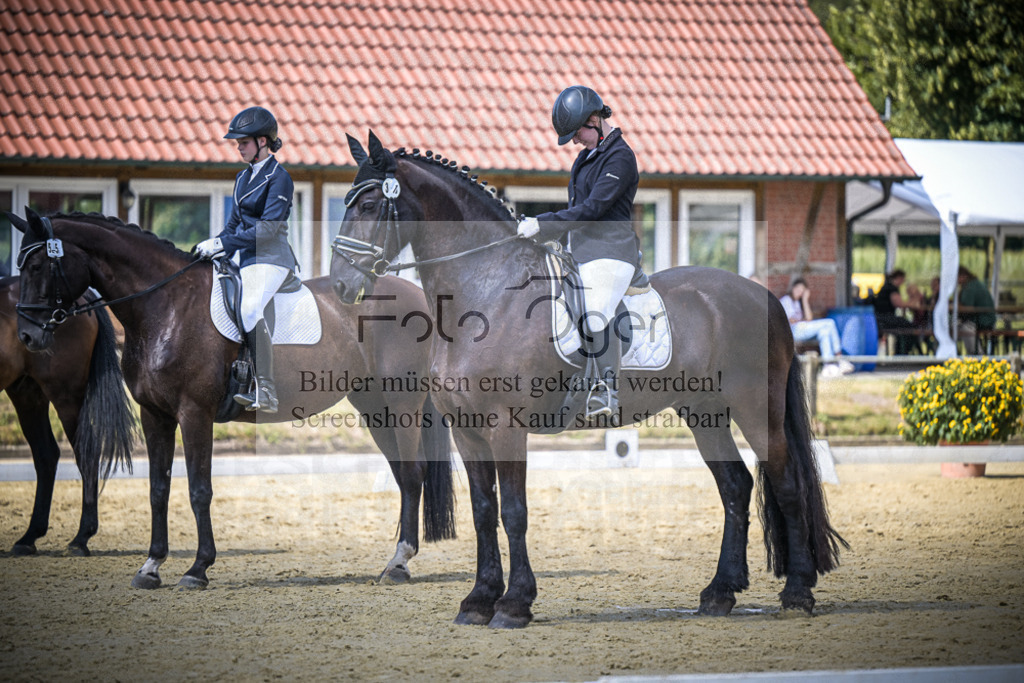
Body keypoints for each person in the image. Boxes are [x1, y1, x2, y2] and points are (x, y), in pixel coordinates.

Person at [517, 86, 641, 420]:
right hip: (582, 253)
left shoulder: (620, 157)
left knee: (594, 309)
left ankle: (607, 392)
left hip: (612, 254)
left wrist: (543, 223)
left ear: (593, 120)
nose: (574, 141)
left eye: (577, 133)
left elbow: (593, 209)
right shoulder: (587, 156)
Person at [194, 106, 297, 413]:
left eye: (244, 142)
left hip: (273, 258)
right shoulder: (241, 178)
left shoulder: (281, 178)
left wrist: (224, 242)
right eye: (237, 142)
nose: (238, 146)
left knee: (251, 306)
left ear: (263, 141)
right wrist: (214, 247)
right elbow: (232, 226)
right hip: (247, 259)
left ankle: (266, 389)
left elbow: (266, 231)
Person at [779, 279, 854, 378]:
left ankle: (828, 366)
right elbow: (790, 320)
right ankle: (839, 358)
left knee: (824, 332)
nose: (799, 292)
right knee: (830, 323)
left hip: (802, 329)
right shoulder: (786, 300)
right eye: (798, 289)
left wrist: (805, 300)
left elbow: (809, 318)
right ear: (793, 288)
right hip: (792, 331)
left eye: (802, 291)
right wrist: (802, 320)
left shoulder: (799, 302)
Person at [872, 269, 919, 355]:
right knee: (911, 327)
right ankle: (903, 352)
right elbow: (899, 304)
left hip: (881, 318)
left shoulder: (886, 286)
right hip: (885, 319)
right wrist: (912, 301)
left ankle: (902, 352)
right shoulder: (892, 288)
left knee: (906, 324)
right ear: (899, 278)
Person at [957, 266, 996, 354]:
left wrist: (955, 305)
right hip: (980, 318)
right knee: (954, 325)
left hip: (983, 319)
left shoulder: (970, 286)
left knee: (965, 328)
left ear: (963, 276)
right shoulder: (971, 284)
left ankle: (977, 355)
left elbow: (967, 308)